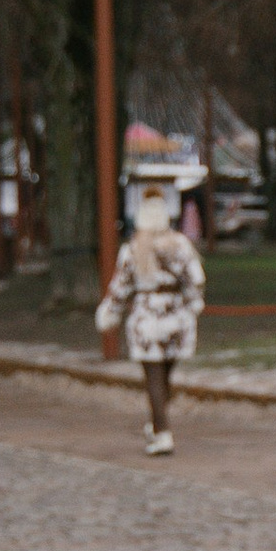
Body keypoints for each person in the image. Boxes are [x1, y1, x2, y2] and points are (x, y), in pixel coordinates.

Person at [96, 185, 205, 454]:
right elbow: (197, 279)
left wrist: (110, 312)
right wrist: (193, 303)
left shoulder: (133, 249)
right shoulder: (181, 245)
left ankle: (162, 432)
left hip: (147, 317)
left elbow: (120, 288)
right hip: (177, 317)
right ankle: (157, 425)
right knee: (165, 374)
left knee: (154, 377)